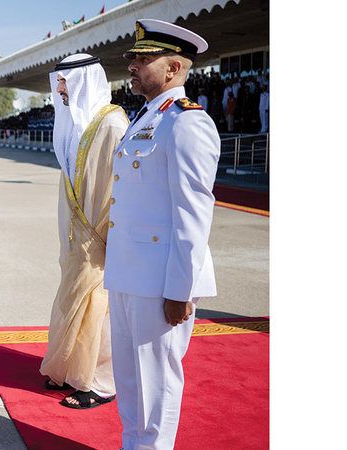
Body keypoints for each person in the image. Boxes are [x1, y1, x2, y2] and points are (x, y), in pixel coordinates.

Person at [105, 19, 221, 449]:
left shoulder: (186, 122)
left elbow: (193, 212)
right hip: (128, 272)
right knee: (129, 379)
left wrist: (180, 289)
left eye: (143, 59)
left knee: (157, 382)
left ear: (173, 68)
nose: (132, 66)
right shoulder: (147, 117)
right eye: (132, 58)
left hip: (160, 279)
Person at [39, 53, 128, 409]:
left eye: (65, 81)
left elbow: (119, 188)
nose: (59, 88)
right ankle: (69, 369)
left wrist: (111, 237)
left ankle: (101, 383)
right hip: (76, 237)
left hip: (101, 236)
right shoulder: (71, 123)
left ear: (84, 81)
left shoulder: (112, 124)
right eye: (58, 81)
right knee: (71, 298)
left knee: (99, 307)